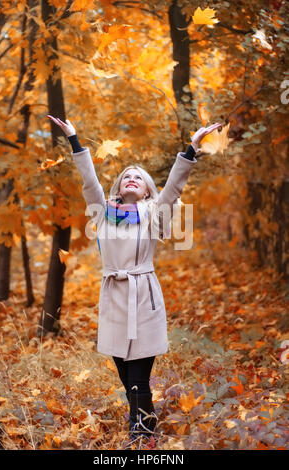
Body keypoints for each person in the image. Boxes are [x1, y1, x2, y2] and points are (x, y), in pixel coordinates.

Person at [46, 115, 222, 446]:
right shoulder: (102, 212)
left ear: (145, 190)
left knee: (139, 375)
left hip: (143, 297)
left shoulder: (155, 213)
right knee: (127, 378)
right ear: (118, 187)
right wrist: (74, 139)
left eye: (137, 178)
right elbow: (89, 182)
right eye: (126, 176)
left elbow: (173, 189)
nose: (130, 178)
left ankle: (140, 436)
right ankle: (145, 419)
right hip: (113, 298)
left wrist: (192, 147)